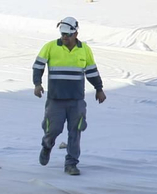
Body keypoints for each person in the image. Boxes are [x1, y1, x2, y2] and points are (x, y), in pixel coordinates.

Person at [32, 17, 105, 176]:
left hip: (76, 100)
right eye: (62, 34)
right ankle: (47, 146)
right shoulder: (50, 47)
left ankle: (71, 164)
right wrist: (37, 84)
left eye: (68, 34)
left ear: (76, 33)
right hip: (55, 100)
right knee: (53, 129)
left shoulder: (84, 49)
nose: (64, 37)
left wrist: (99, 89)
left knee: (75, 131)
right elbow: (38, 66)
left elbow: (91, 70)